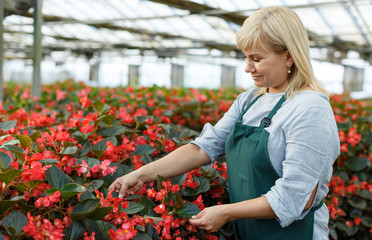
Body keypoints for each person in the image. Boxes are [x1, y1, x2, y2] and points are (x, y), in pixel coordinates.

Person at [109, 6, 340, 240]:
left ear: (289, 56)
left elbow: (295, 199)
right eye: (246, 57)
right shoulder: (250, 100)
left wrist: (226, 212)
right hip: (250, 230)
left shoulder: (310, 109)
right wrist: (140, 175)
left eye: (257, 59)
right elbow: (205, 147)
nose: (247, 67)